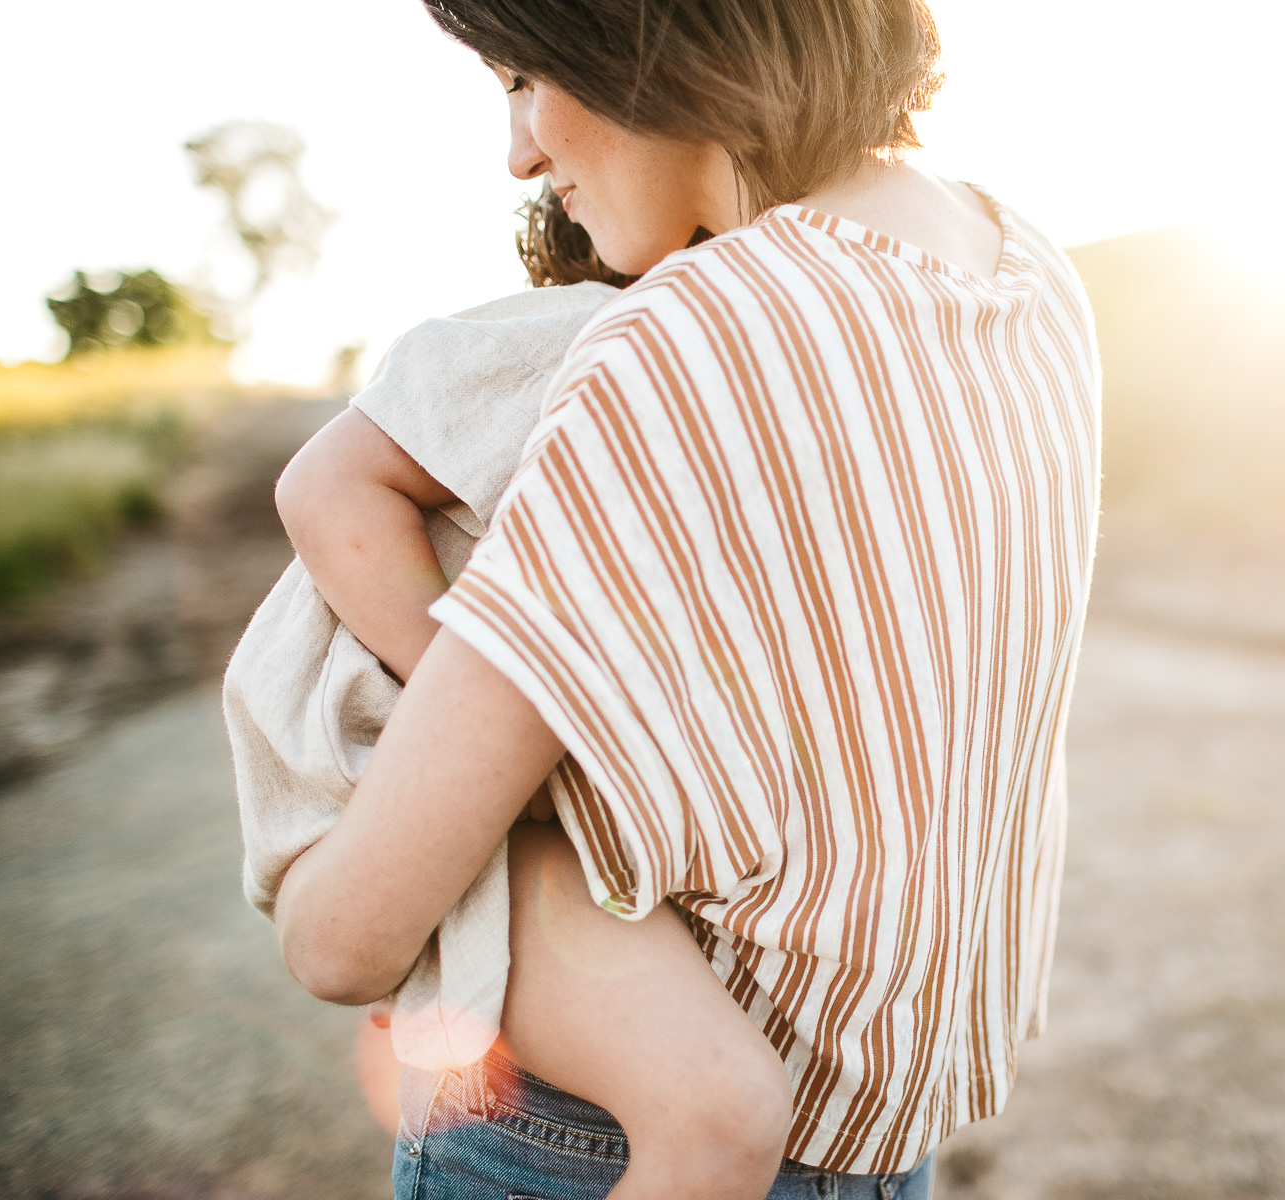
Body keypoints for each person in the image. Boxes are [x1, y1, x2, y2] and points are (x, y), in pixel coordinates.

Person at [272, 0, 1102, 1196]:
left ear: (645, 30)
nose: (521, 151)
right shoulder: (1031, 273)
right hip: (884, 1155)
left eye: (524, 73)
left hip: (586, 1152)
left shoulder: (683, 341)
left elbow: (344, 938)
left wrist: (314, 852)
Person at [225, 180, 798, 1200]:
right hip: (392, 772)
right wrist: (471, 714)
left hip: (414, 809)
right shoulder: (611, 330)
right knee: (716, 1107)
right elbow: (321, 485)